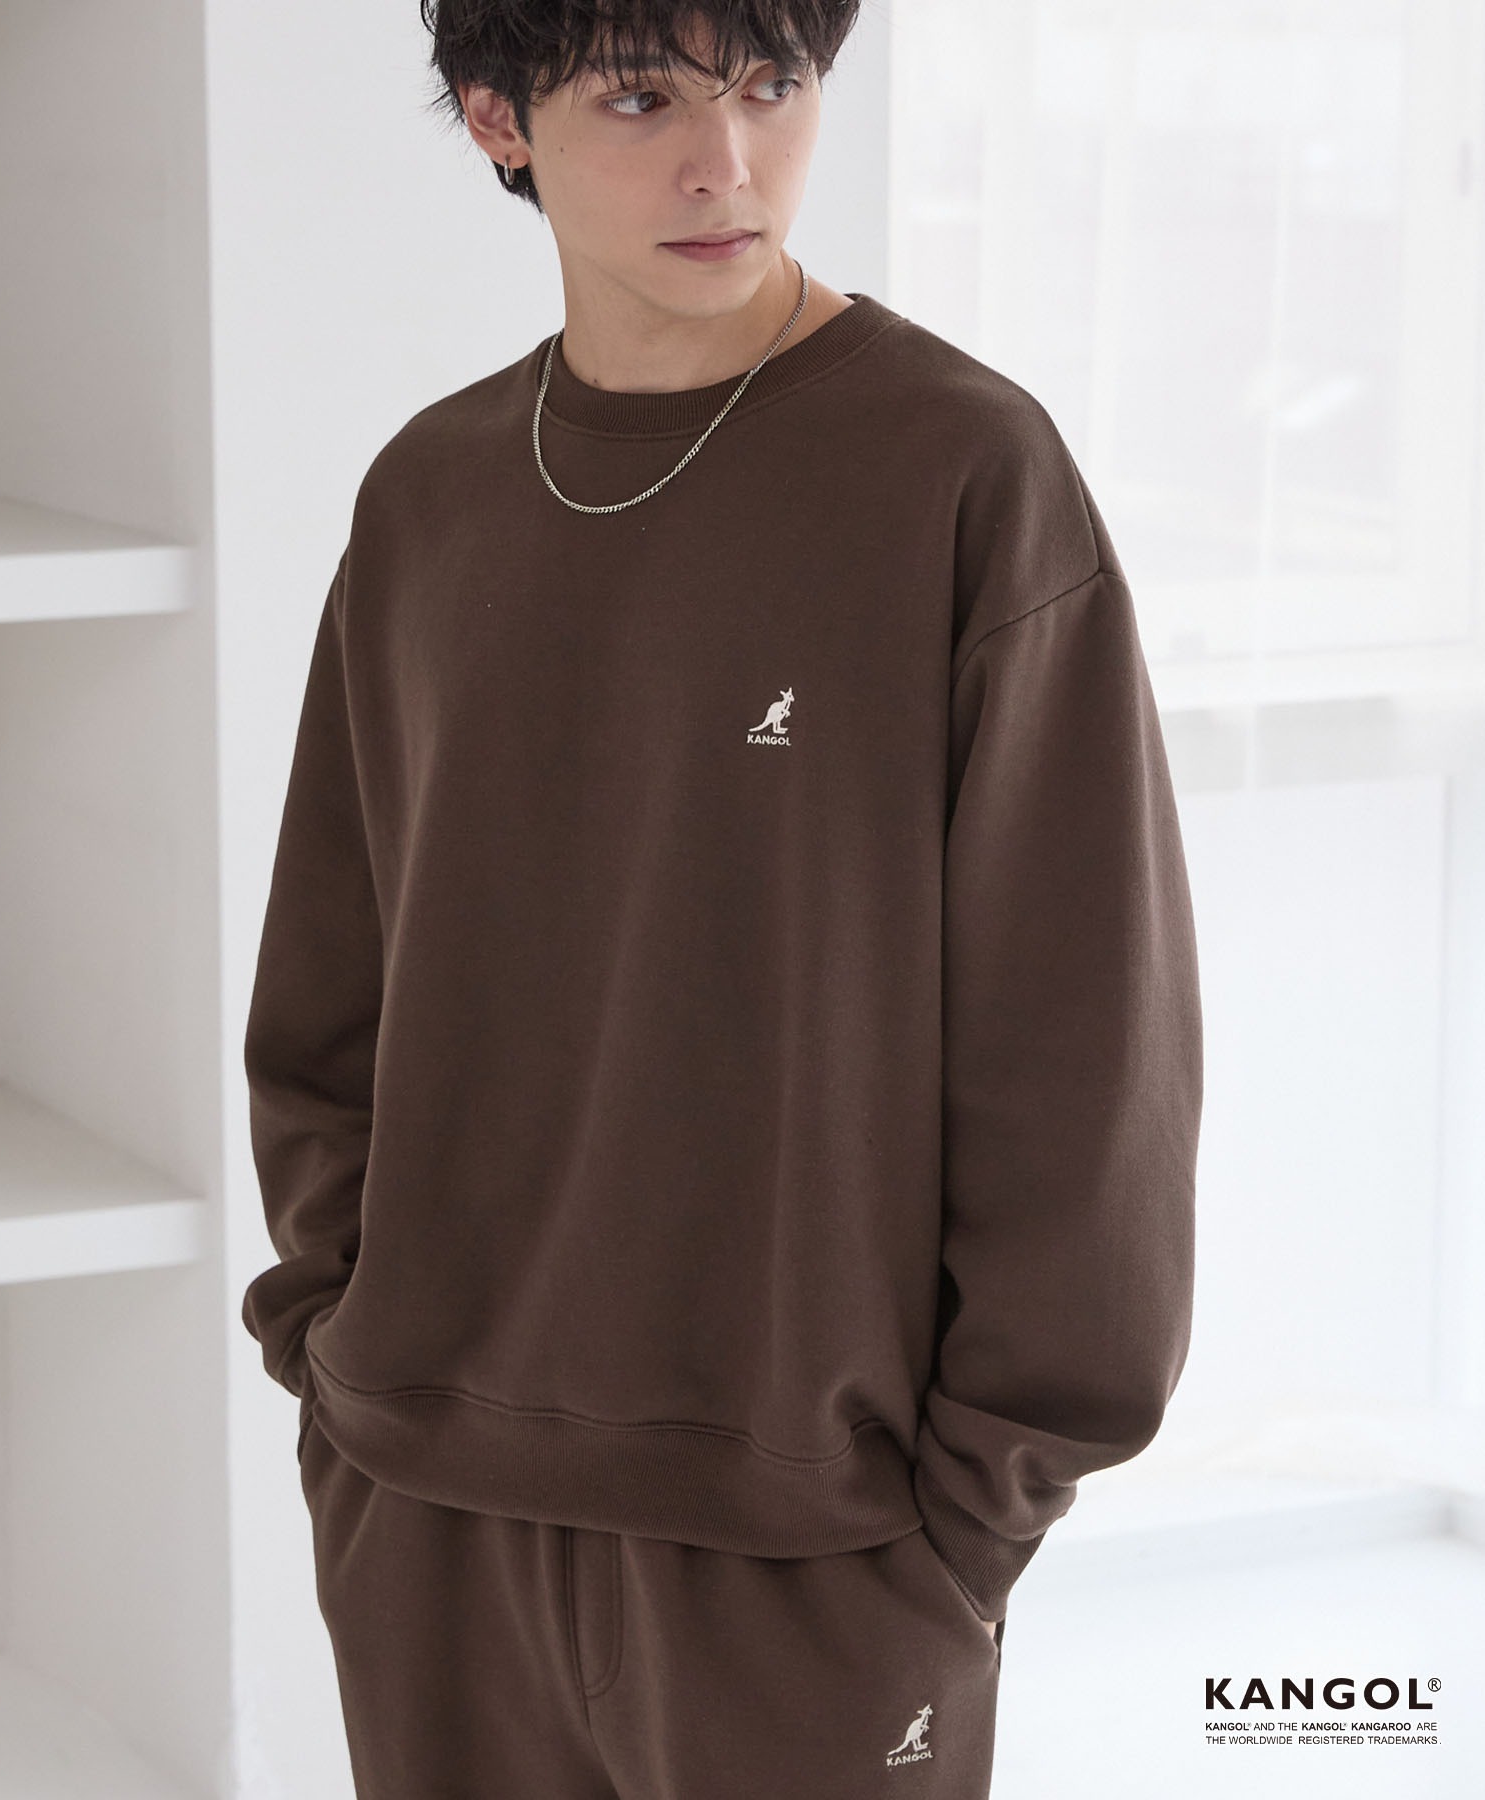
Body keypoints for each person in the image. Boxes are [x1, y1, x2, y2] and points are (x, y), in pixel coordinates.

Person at [240, 2, 1204, 1795]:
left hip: (824, 1557)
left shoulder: (961, 472)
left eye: (772, 85)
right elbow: (333, 977)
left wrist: (969, 1518)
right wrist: (338, 1355)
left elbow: (1083, 1049)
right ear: (497, 121)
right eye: (642, 98)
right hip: (430, 1517)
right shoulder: (431, 495)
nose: (727, 162)